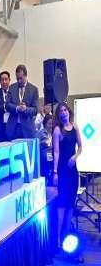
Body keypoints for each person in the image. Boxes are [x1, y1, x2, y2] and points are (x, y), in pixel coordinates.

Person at [53, 102, 82, 250]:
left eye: (65, 110)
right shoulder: (58, 130)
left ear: (68, 111)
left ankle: (66, 235)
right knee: (62, 204)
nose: (63, 113)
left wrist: (75, 157)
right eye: (61, 111)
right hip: (63, 171)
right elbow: (56, 152)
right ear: (58, 115)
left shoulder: (75, 126)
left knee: (70, 203)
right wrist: (55, 172)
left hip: (73, 170)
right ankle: (58, 239)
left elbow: (80, 147)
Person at [6, 64, 39, 140]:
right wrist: (17, 108)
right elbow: (7, 105)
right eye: (17, 78)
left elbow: (35, 110)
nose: (19, 81)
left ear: (26, 75)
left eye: (21, 78)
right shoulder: (11, 87)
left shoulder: (34, 89)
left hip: (27, 129)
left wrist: (25, 109)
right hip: (13, 128)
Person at [0, 71, 11, 142]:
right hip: (0, 126)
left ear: (9, 80)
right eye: (2, 80)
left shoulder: (13, 92)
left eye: (6, 79)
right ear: (0, 81)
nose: (4, 82)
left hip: (12, 125)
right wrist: (5, 107)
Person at [38, 114, 54, 185]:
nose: (51, 126)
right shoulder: (42, 133)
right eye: (49, 124)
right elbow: (46, 144)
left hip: (49, 161)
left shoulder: (51, 134)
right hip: (42, 162)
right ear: (45, 124)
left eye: (52, 124)